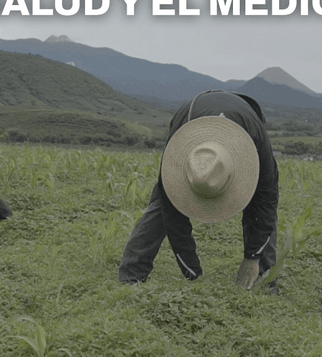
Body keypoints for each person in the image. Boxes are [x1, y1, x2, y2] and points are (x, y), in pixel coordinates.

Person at [118, 90, 278, 289]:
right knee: (164, 200)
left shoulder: (257, 142)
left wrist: (253, 258)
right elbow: (174, 220)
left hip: (240, 126)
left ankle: (263, 278)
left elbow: (266, 205)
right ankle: (132, 274)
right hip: (188, 116)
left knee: (260, 204)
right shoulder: (181, 143)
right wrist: (193, 273)